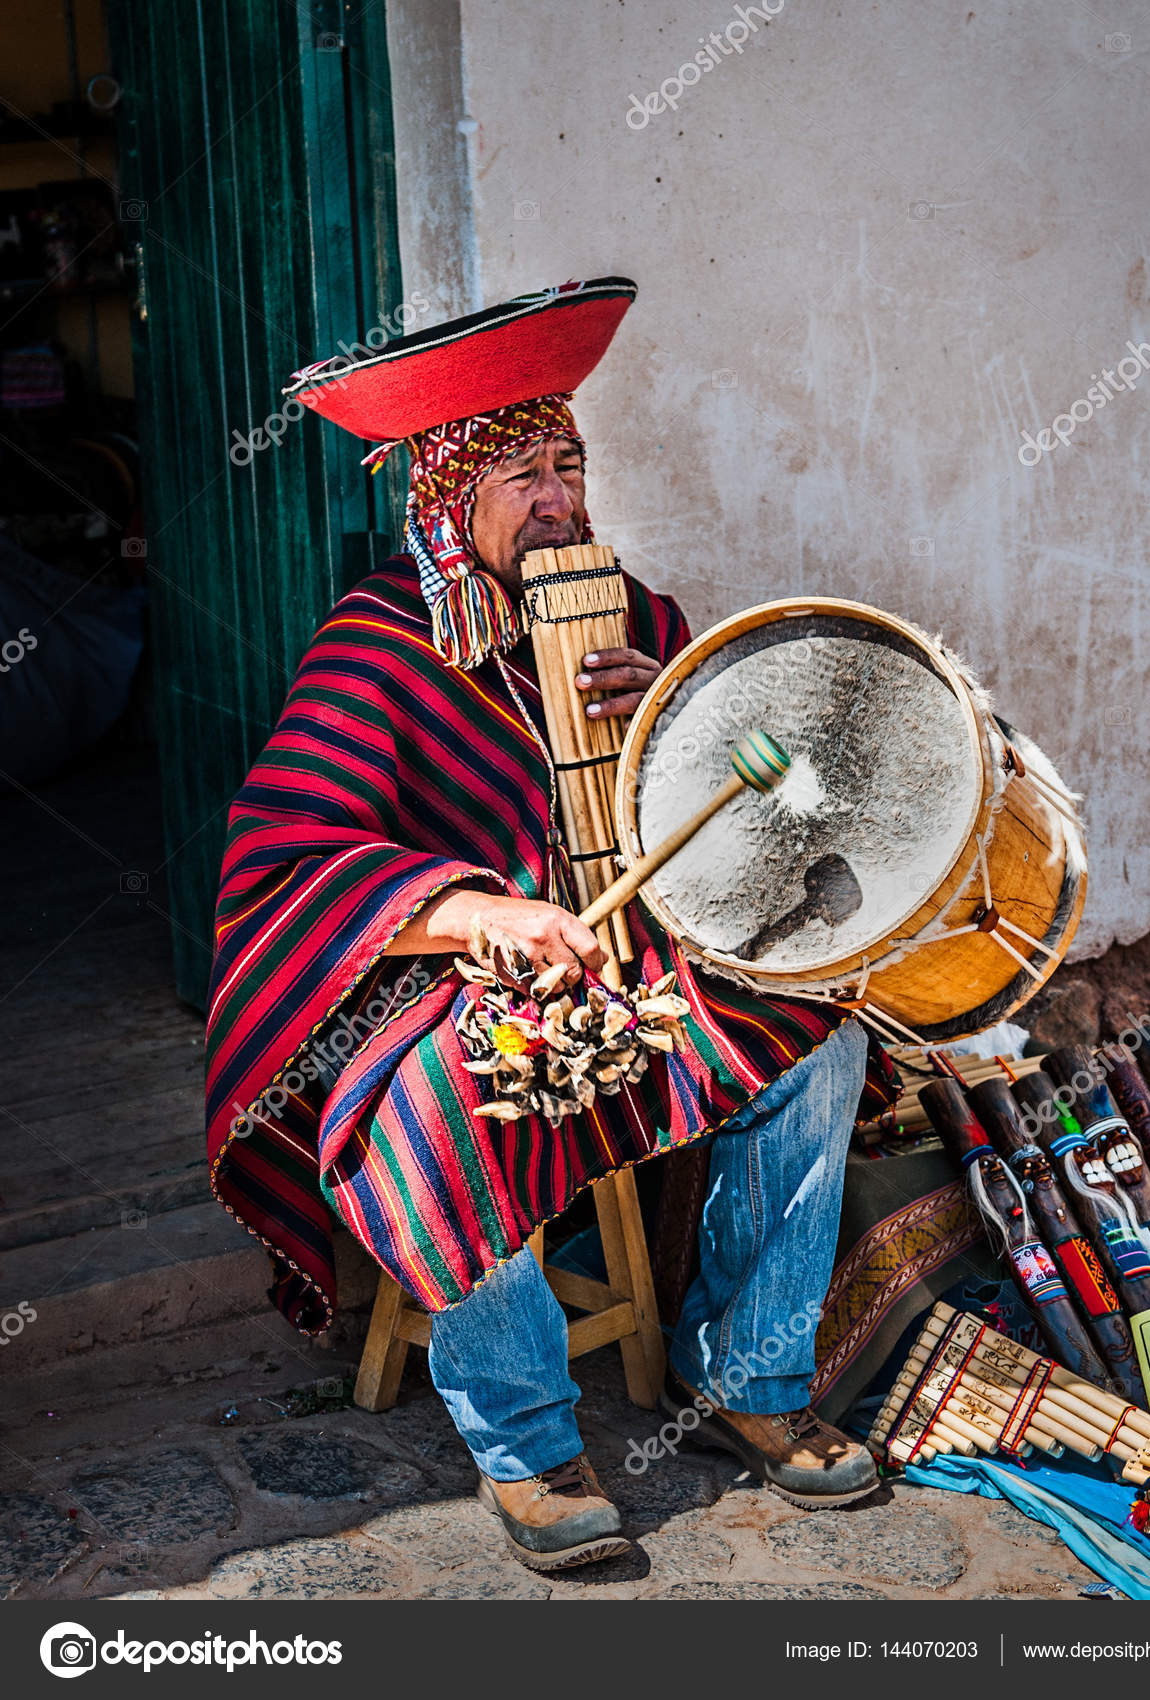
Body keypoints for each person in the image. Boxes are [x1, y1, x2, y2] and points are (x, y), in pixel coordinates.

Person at [205, 279, 886, 1573]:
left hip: (635, 954)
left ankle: (750, 1377)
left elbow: (772, 792)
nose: (562, 501)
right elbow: (286, 852)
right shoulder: (375, 644)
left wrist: (682, 710)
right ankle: (527, 1445)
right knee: (440, 1110)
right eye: (523, 477)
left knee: (820, 1034)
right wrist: (477, 911)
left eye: (570, 467)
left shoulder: (628, 614)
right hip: (444, 980)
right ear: (451, 495)